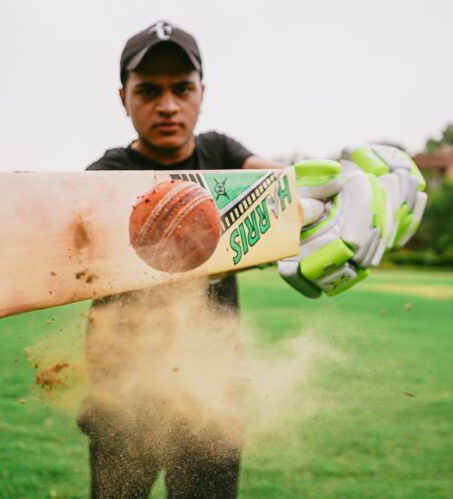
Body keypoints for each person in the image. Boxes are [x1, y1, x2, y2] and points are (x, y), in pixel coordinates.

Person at [80, 20, 427, 499]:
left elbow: (284, 186)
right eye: (148, 91)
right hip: (125, 392)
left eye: (182, 88)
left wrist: (352, 190)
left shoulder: (220, 151)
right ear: (124, 98)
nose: (167, 105)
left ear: (202, 91)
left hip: (213, 387)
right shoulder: (108, 174)